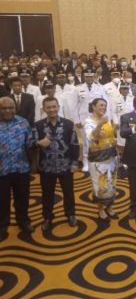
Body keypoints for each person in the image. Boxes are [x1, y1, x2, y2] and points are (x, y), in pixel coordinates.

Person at [34, 97, 80, 231]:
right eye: (48, 107)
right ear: (44, 109)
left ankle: (70, 214)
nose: (52, 110)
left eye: (54, 106)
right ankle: (47, 217)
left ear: (58, 107)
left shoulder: (68, 124)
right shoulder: (38, 125)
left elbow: (74, 144)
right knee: (47, 193)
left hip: (66, 165)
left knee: (68, 192)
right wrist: (38, 143)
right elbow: (30, 143)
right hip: (46, 167)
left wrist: (75, 162)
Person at [0, 97, 35, 241]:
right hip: (2, 171)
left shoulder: (23, 123)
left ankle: (23, 221)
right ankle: (2, 226)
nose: (8, 110)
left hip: (21, 169)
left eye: (11, 107)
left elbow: (30, 143)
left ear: (15, 108)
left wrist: (33, 164)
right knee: (2, 201)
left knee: (23, 198)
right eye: (4, 108)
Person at [84, 98, 119, 221]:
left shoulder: (106, 119)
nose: (103, 107)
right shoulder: (88, 121)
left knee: (111, 183)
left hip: (111, 156)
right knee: (100, 185)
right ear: (93, 106)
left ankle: (109, 207)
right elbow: (91, 137)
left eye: (105, 105)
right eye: (101, 105)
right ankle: (100, 210)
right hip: (97, 159)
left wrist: (115, 130)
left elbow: (111, 137)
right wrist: (100, 124)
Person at [74, 67, 109, 172]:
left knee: (98, 140)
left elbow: (106, 104)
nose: (89, 78)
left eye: (91, 76)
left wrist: (106, 118)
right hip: (84, 119)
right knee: (86, 141)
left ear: (94, 76)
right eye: (87, 76)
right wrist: (77, 120)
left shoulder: (100, 88)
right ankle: (86, 162)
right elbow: (74, 106)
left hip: (98, 119)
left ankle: (99, 160)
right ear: (84, 77)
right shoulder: (78, 89)